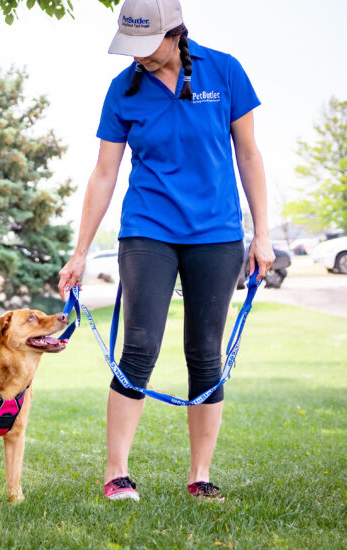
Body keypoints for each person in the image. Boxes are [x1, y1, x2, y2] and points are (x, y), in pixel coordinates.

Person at [57, 0, 274, 502]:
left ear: (175, 34)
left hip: (217, 233)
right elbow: (104, 173)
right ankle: (116, 474)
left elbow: (249, 154)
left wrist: (262, 234)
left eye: (146, 47)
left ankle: (200, 476)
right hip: (148, 229)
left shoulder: (225, 70)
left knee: (205, 353)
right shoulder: (123, 89)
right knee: (138, 348)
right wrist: (81, 250)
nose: (139, 58)